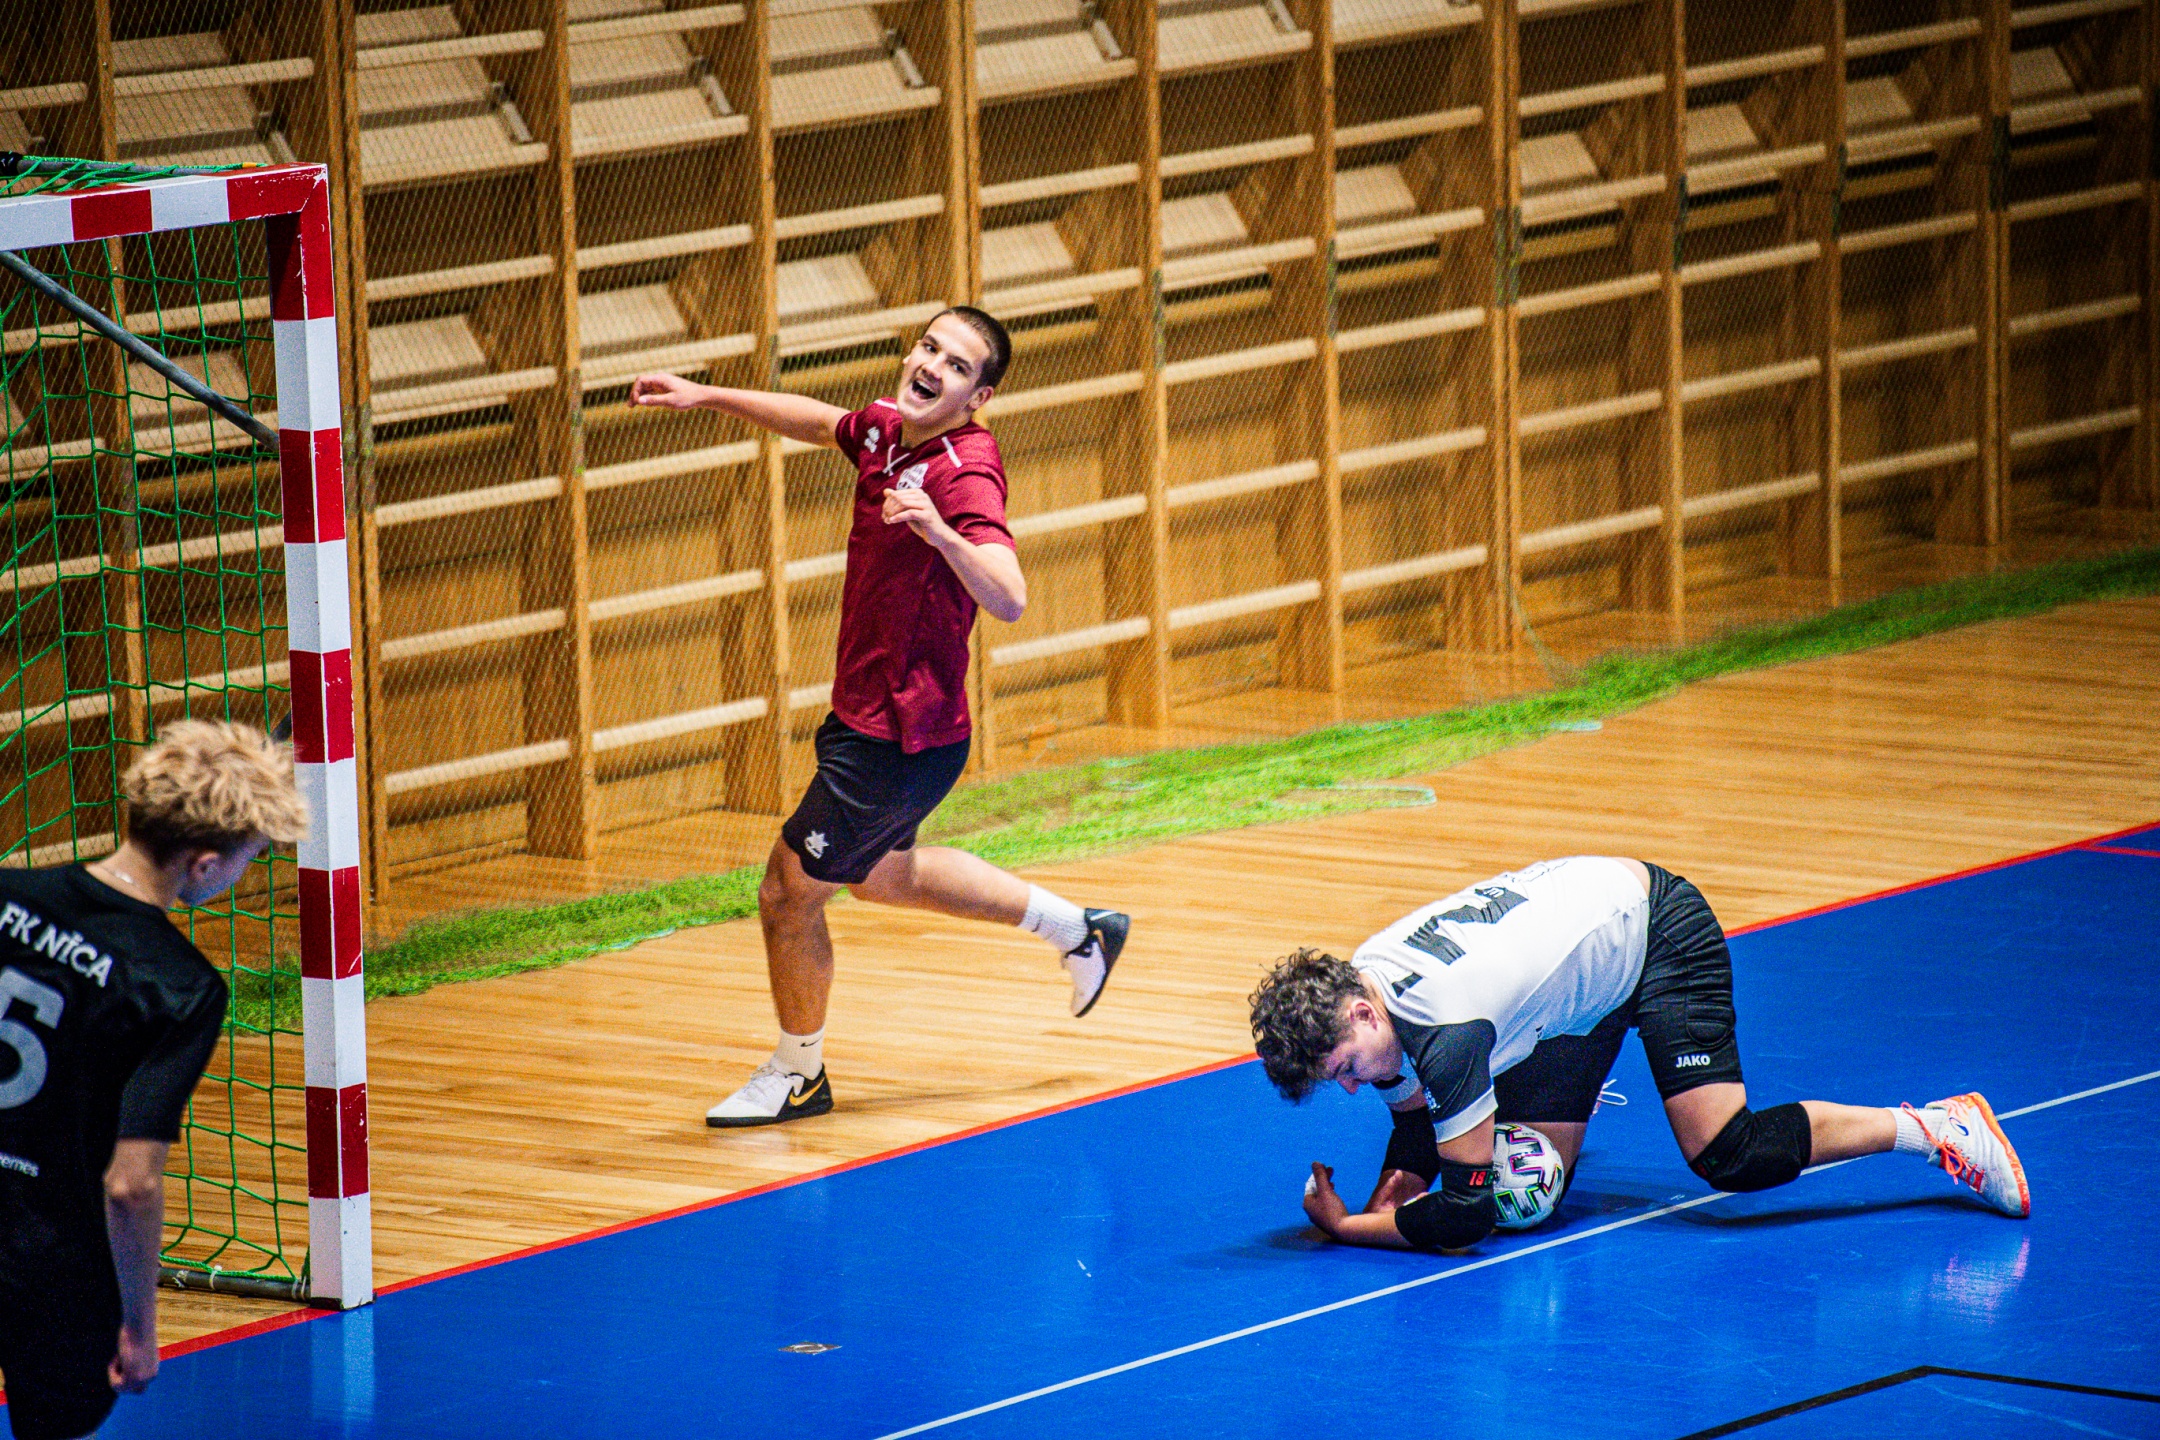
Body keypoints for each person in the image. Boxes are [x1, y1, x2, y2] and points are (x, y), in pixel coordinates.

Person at [629, 307, 1130, 1127]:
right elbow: (824, 422)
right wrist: (706, 395)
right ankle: (1081, 930)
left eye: (958, 365)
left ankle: (799, 1074)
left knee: (786, 893)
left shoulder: (965, 473)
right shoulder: (887, 432)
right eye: (930, 347)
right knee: (885, 877)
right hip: (872, 718)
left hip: (897, 737)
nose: (933, 365)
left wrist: (940, 533)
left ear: (979, 397)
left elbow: (1010, 595)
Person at [1248, 857, 2030, 1253]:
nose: (1351, 1087)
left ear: (1360, 1011)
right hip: (1566, 992)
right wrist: (1396, 1193)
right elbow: (1415, 1120)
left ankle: (1936, 1128)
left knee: (1727, 1153)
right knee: (1536, 1191)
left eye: (1344, 1069)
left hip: (1656, 932)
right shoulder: (1369, 984)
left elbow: (1465, 1216)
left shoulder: (1445, 1031)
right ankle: (1550, 1085)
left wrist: (1350, 1226)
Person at [0, 720, 309, 1440]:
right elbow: (131, 1184)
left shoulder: (6, 891)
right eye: (252, 858)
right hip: (49, 1253)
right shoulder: (177, 985)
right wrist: (140, 1327)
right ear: (204, 864)